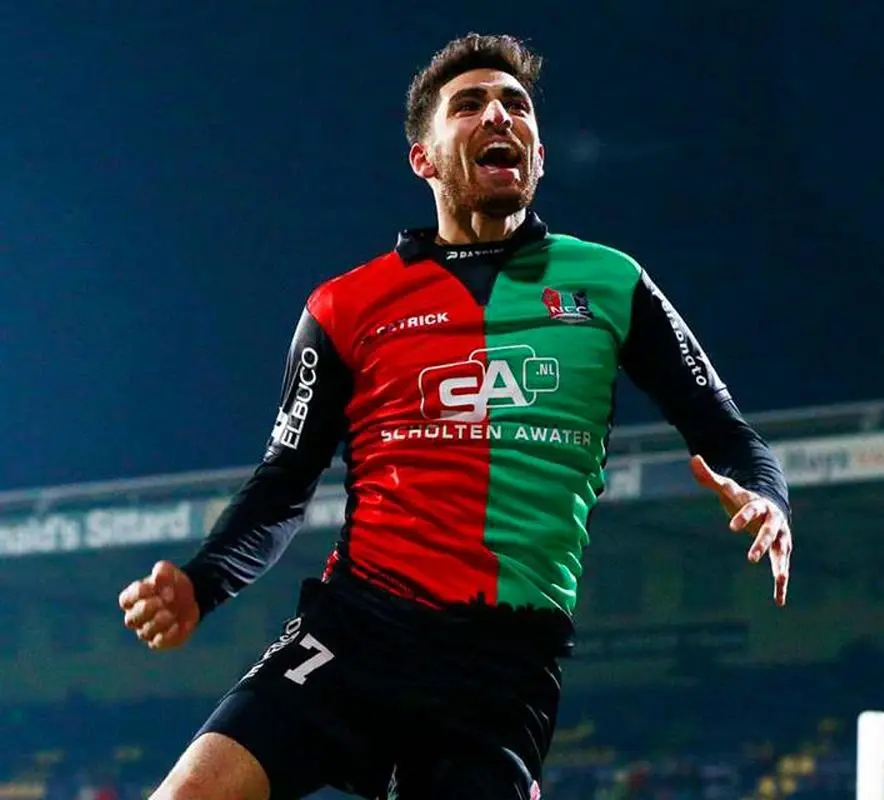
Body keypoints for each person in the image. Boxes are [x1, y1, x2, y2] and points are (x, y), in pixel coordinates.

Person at [118, 32, 792, 800]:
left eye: (517, 106)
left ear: (539, 154)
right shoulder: (345, 306)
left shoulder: (610, 283)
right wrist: (202, 584)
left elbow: (727, 433)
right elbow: (284, 483)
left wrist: (767, 495)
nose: (500, 115)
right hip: (359, 628)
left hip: (504, 665)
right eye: (469, 105)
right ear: (425, 158)